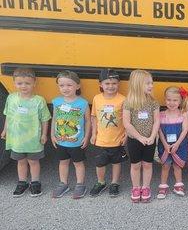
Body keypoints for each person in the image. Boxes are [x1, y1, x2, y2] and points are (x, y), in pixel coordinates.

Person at [1, 68, 51, 197]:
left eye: (27, 83)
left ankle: (35, 182)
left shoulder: (39, 100)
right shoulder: (11, 98)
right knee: (21, 161)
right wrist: (5, 129)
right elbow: (8, 116)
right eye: (19, 83)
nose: (23, 86)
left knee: (33, 161)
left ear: (34, 83)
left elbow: (45, 119)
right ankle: (22, 182)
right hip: (17, 138)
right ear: (14, 83)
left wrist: (44, 134)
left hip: (33, 139)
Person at [50, 71, 90, 199]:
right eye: (61, 85)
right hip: (60, 140)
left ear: (77, 86)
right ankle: (63, 183)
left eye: (69, 85)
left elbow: (88, 121)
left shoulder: (83, 103)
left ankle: (80, 184)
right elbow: (54, 118)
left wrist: (87, 136)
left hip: (76, 141)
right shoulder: (56, 102)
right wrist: (52, 134)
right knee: (63, 162)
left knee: (78, 163)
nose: (65, 88)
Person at [89, 69, 127, 198]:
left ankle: (114, 183)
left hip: (117, 138)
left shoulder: (123, 99)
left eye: (114, 83)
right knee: (100, 163)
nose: (110, 86)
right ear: (100, 84)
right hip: (101, 139)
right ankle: (101, 182)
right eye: (107, 83)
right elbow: (94, 117)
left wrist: (126, 135)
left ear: (118, 84)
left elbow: (127, 120)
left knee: (116, 162)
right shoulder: (97, 98)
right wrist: (93, 134)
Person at [123, 70, 160, 203]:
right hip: (134, 140)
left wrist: (152, 136)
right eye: (147, 83)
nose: (151, 86)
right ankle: (136, 187)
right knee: (135, 165)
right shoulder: (129, 102)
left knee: (148, 164)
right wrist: (139, 137)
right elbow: (127, 123)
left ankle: (146, 187)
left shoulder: (153, 102)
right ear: (138, 85)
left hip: (149, 140)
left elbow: (156, 121)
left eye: (151, 83)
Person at [156, 86, 188, 199]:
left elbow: (185, 130)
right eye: (169, 100)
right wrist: (165, 144)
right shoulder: (161, 115)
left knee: (177, 165)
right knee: (165, 165)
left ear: (180, 101)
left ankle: (178, 185)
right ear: (165, 100)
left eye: (175, 100)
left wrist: (177, 144)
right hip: (165, 145)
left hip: (179, 144)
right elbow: (159, 130)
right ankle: (163, 186)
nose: (172, 103)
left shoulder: (183, 114)